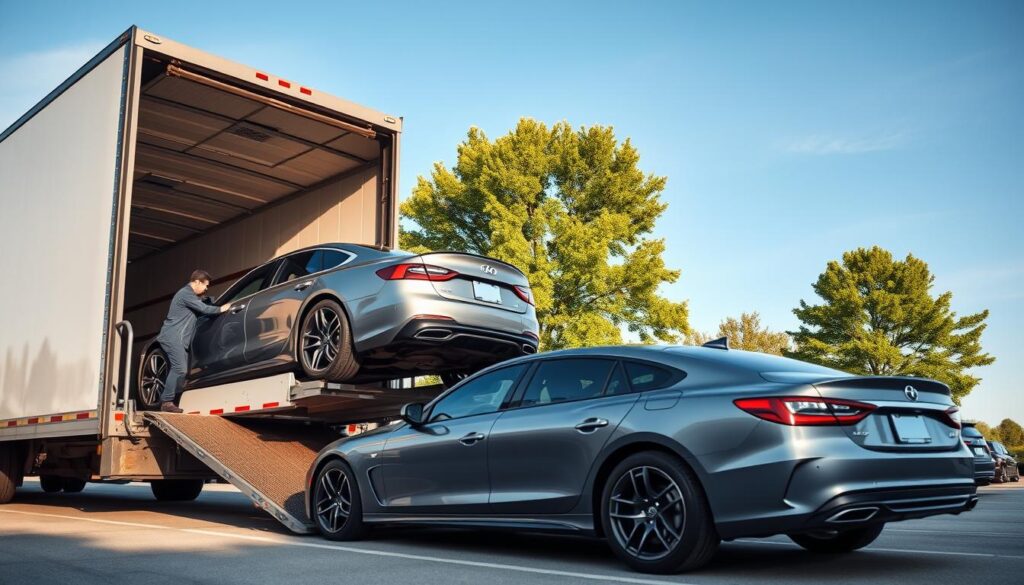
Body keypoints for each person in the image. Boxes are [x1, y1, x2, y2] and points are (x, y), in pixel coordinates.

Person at [155, 270, 229, 413]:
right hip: (173, 336)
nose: (206, 288)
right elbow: (204, 309)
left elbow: (202, 304)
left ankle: (171, 400)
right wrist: (221, 308)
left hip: (178, 338)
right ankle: (166, 402)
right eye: (205, 285)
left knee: (180, 371)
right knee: (180, 368)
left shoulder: (190, 296)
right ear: (196, 282)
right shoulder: (185, 294)